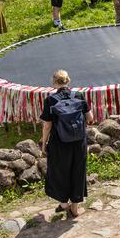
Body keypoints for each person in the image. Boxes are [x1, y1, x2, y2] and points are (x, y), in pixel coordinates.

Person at [40, 69, 89, 218]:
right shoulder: (79, 96)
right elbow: (90, 117)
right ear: (69, 80)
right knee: (78, 171)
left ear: (54, 82)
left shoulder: (50, 100)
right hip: (79, 141)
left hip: (59, 142)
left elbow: (47, 125)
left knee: (59, 172)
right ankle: (75, 208)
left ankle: (63, 203)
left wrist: (44, 143)